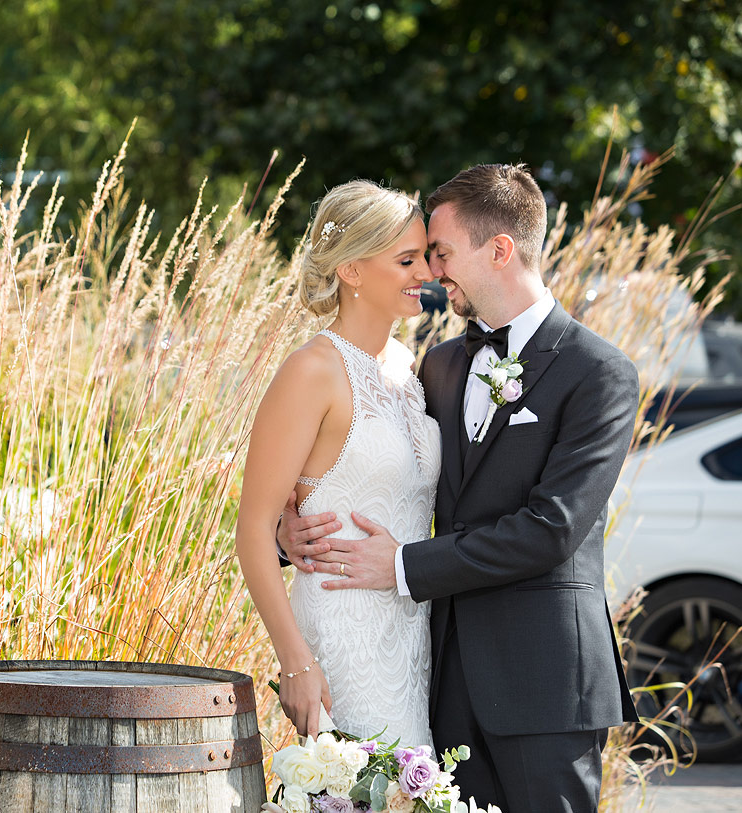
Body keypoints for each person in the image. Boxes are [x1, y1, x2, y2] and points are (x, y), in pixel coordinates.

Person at [277, 164, 640, 813]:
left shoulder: (600, 373)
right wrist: (291, 525)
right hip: (438, 683)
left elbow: (551, 528)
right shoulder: (438, 367)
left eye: (440, 252)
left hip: (545, 684)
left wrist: (400, 564)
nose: (431, 271)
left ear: (499, 249)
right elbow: (382, 470)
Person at [234, 180, 439, 745]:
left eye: (424, 255)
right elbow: (253, 530)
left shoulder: (407, 367)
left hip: (411, 633)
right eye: (406, 259)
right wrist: (296, 661)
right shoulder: (312, 371)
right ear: (351, 269)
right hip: (342, 633)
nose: (426, 271)